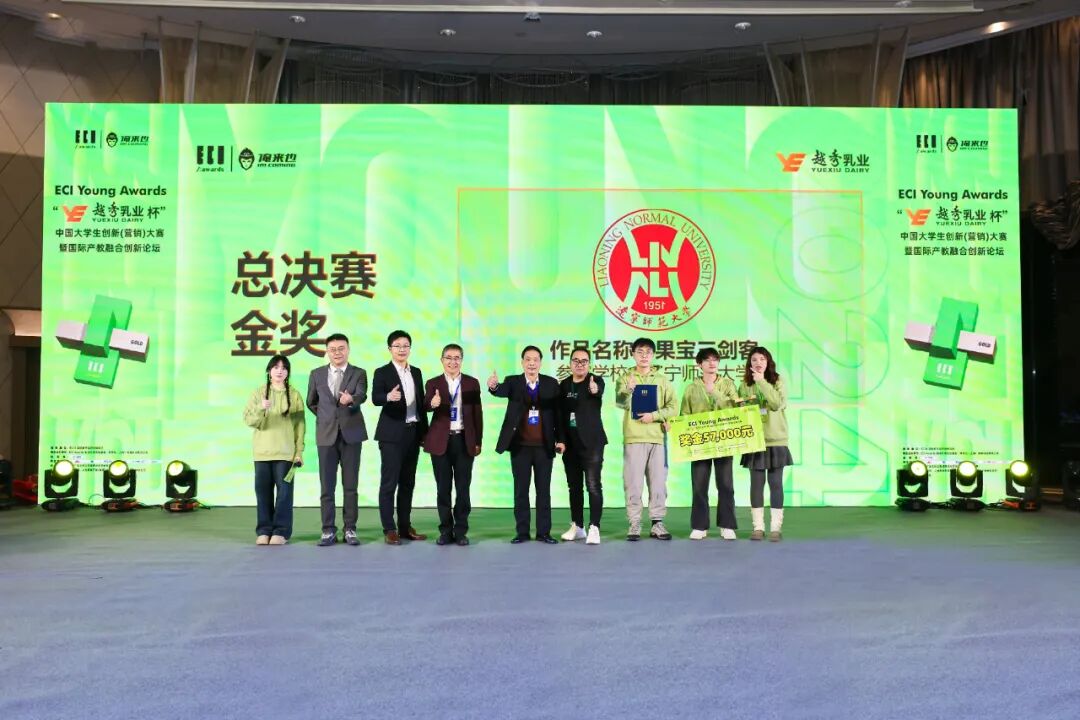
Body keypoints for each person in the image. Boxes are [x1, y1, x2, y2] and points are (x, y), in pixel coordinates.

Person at [488, 345, 560, 544]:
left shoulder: (551, 384)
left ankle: (544, 532)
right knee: (521, 491)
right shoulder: (513, 382)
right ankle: (522, 532)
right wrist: (493, 386)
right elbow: (500, 390)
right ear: (522, 362)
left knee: (543, 491)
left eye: (535, 360)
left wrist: (560, 439)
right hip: (520, 447)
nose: (531, 363)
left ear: (540, 363)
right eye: (528, 359)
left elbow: (558, 414)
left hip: (544, 447)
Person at [306, 333, 368, 547]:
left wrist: (351, 399)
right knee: (327, 487)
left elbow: (362, 395)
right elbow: (311, 402)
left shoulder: (359, 373)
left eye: (341, 348)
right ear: (327, 351)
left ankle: (350, 528)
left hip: (352, 435)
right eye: (332, 349)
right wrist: (327, 418)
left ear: (348, 349)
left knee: (350, 486)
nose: (337, 352)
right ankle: (328, 530)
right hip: (326, 436)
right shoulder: (316, 374)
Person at [614, 337, 677, 541]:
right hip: (633, 437)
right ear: (633, 354)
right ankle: (634, 523)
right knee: (633, 482)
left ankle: (657, 522)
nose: (644, 356)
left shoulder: (662, 380)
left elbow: (673, 407)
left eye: (648, 352)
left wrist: (655, 416)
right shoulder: (625, 377)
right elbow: (620, 403)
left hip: (657, 438)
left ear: (653, 355)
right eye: (640, 352)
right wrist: (629, 389)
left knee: (658, 482)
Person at [372, 330, 429, 545]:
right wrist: (388, 396)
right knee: (389, 483)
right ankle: (389, 528)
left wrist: (424, 433)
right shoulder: (382, 372)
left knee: (408, 483)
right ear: (390, 349)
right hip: (391, 435)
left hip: (413, 432)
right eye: (397, 346)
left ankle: (405, 526)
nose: (402, 349)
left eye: (406, 346)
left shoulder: (417, 372)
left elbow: (420, 403)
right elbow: (375, 398)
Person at [423, 343, 483, 546]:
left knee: (463, 488)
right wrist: (432, 404)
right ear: (442, 360)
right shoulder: (433, 383)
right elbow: (425, 405)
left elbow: (477, 414)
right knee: (443, 488)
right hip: (441, 442)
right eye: (448, 357)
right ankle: (445, 531)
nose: (452, 361)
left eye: (457, 358)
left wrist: (478, 441)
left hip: (464, 440)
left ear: (461, 361)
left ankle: (461, 531)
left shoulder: (472, 383)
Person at [680, 347, 742, 541]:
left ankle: (727, 525)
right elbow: (684, 415)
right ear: (699, 364)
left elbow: (735, 408)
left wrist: (714, 392)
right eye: (707, 360)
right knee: (699, 485)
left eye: (715, 359)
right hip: (700, 442)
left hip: (724, 439)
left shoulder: (728, 384)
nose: (712, 363)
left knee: (726, 484)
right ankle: (700, 526)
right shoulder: (691, 388)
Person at [243, 355, 305, 545]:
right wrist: (261, 408)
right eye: (276, 367)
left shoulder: (294, 395)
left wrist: (299, 451)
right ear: (269, 371)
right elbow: (249, 420)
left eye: (284, 368)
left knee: (284, 494)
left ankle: (281, 531)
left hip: (286, 453)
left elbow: (300, 426)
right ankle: (264, 530)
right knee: (263, 493)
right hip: (262, 453)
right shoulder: (258, 393)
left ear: (288, 373)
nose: (280, 371)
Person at [737, 346, 793, 541]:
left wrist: (761, 381)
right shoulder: (745, 385)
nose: (758, 363)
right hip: (755, 439)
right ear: (749, 364)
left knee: (775, 483)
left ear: (768, 362)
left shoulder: (777, 381)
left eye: (762, 359)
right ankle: (758, 527)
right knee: (756, 484)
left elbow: (776, 404)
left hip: (776, 439)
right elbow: (742, 410)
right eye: (754, 360)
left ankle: (776, 528)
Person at [555, 348, 607, 545]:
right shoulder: (564, 385)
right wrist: (560, 439)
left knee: (593, 485)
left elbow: (598, 391)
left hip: (592, 443)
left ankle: (594, 527)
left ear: (589, 364)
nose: (580, 364)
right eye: (576, 361)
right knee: (574, 487)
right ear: (570, 363)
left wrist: (595, 389)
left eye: (584, 361)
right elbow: (560, 415)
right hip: (570, 444)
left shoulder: (596, 380)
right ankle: (578, 526)